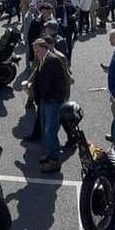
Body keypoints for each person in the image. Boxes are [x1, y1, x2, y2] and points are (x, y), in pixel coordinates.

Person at [32, 38, 71, 173]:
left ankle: (55, 160)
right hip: (45, 100)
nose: (36, 53)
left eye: (37, 50)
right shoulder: (43, 59)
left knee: (50, 130)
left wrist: (38, 93)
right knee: (45, 128)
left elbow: (49, 84)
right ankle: (49, 154)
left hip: (52, 101)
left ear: (44, 48)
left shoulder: (52, 60)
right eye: (35, 51)